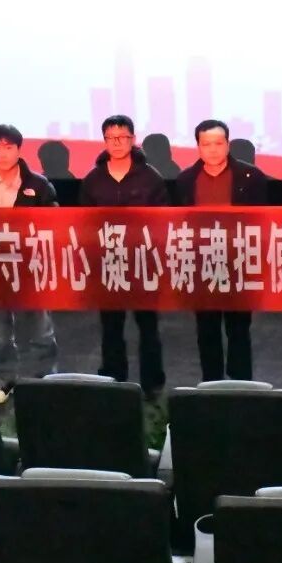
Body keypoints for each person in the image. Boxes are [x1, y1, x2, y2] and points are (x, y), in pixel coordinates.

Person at [0, 124, 59, 403]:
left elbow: (55, 224)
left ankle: (44, 379)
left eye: (8, 147)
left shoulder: (39, 185)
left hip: (31, 266)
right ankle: (2, 379)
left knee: (40, 328)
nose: (3, 154)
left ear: (19, 149)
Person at [80, 115, 168, 397]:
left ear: (133, 139)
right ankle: (114, 379)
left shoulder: (151, 178)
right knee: (111, 326)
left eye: (122, 137)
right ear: (104, 141)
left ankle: (152, 384)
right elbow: (83, 222)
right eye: (111, 138)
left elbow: (163, 221)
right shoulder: (93, 179)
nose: (117, 143)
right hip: (107, 263)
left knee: (148, 325)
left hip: (143, 262)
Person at [175, 119, 268, 382]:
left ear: (228, 144)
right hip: (201, 265)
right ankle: (211, 383)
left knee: (239, 330)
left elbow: (263, 222)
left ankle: (241, 385)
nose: (213, 149)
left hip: (239, 263)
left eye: (218, 143)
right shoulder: (185, 180)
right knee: (206, 330)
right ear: (198, 146)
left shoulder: (251, 177)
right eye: (207, 144)